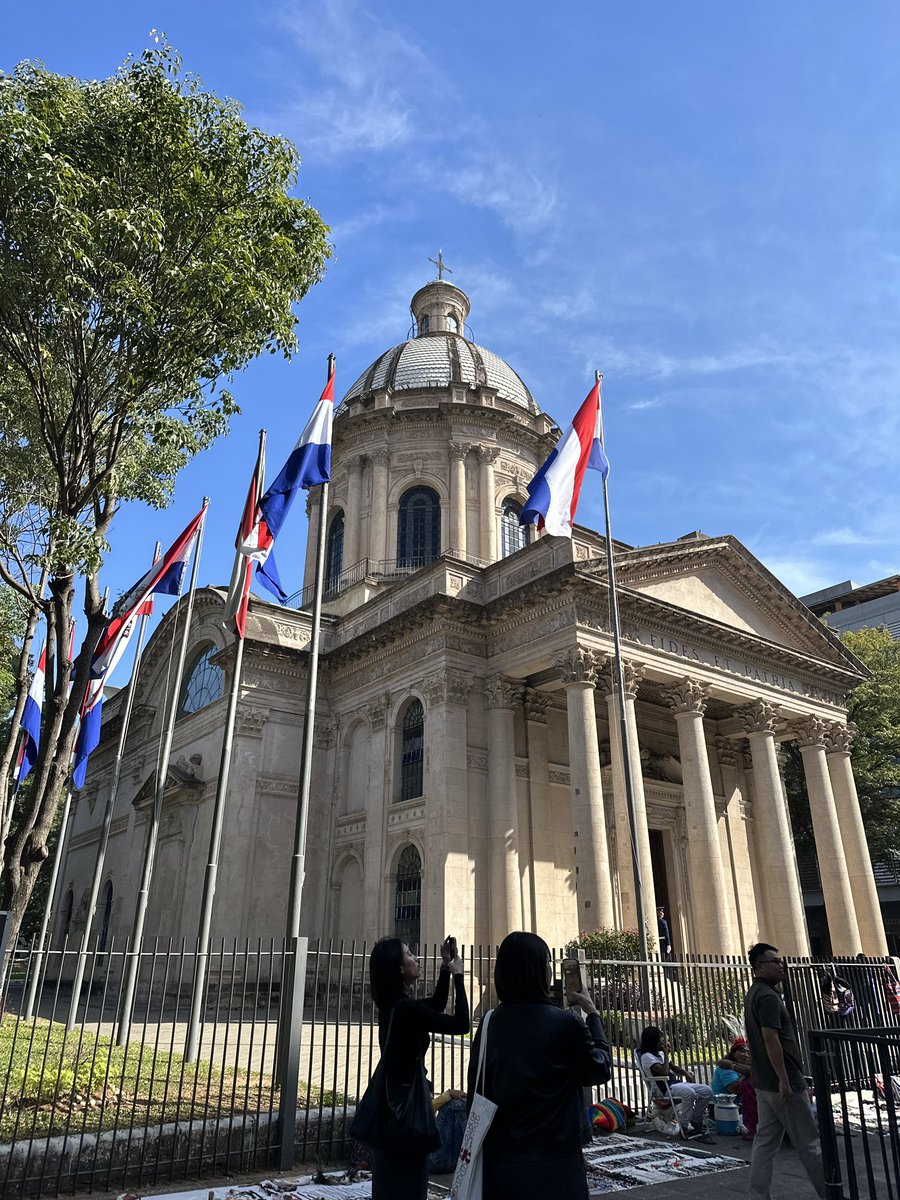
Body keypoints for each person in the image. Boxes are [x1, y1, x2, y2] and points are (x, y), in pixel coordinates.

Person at [466, 931, 612, 1200]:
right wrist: (592, 1013)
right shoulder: (565, 1024)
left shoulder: (488, 1024)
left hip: (502, 1164)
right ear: (540, 972)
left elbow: (476, 1094)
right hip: (556, 1164)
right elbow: (599, 1068)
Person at [367, 936, 470, 1200]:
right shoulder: (406, 1010)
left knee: (391, 1182)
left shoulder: (393, 1006)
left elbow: (434, 1005)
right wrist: (459, 977)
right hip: (409, 1112)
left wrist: (446, 967)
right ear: (399, 968)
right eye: (410, 954)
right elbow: (461, 1025)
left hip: (393, 1109)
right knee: (409, 1182)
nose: (417, 958)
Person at [744, 942, 825, 1200]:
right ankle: (830, 1192)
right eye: (775, 962)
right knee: (809, 1142)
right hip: (782, 1081)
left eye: (781, 961)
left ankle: (758, 1195)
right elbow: (770, 1038)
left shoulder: (754, 993)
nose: (782, 966)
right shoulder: (768, 997)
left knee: (765, 1142)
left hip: (763, 1082)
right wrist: (785, 1080)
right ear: (758, 968)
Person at [638, 1025, 713, 1140]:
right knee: (689, 1093)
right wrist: (666, 1054)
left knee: (707, 1091)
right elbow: (664, 1072)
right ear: (653, 1041)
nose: (663, 1042)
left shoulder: (661, 1054)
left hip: (675, 1084)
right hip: (665, 1090)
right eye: (660, 1039)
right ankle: (683, 1126)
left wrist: (686, 1074)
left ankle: (695, 1118)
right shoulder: (646, 1057)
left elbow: (673, 1068)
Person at [711, 1038, 757, 1137]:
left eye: (748, 1052)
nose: (746, 1054)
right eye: (742, 1051)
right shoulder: (726, 1067)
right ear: (733, 1053)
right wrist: (745, 1074)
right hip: (728, 1104)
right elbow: (734, 1089)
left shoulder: (740, 1066)